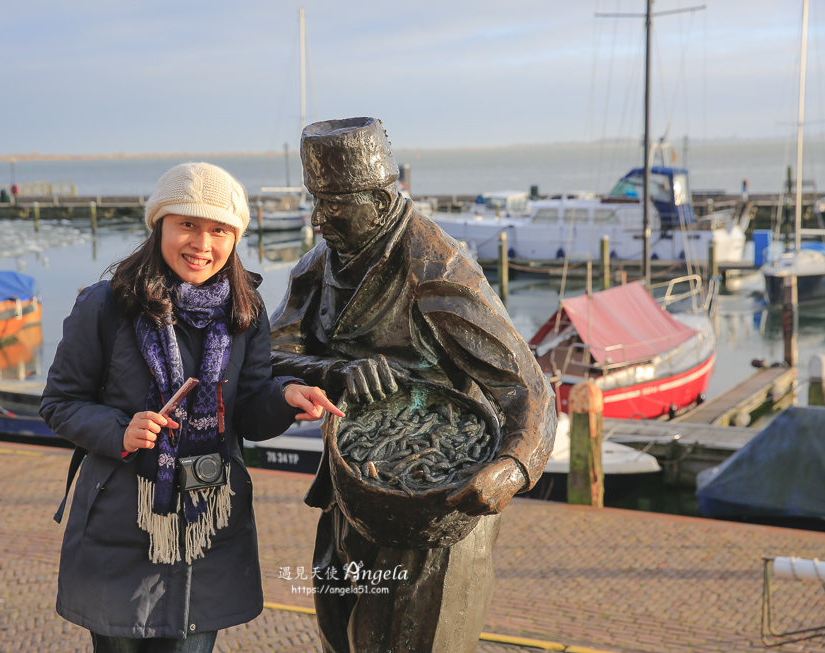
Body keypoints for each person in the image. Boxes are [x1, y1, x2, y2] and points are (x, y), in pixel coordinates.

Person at [270, 117, 557, 652]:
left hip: (440, 503)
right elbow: (270, 356)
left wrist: (513, 468)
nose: (316, 220)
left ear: (379, 202)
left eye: (332, 205)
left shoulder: (438, 268)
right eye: (315, 200)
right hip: (352, 488)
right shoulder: (316, 269)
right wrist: (333, 371)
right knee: (341, 634)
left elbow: (527, 385)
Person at [40, 161, 343, 653]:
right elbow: (59, 404)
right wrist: (119, 429)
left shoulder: (246, 309)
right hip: (121, 527)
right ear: (159, 225)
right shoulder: (103, 305)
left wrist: (285, 396)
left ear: (235, 236)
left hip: (208, 528)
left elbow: (247, 409)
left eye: (219, 230)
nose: (203, 245)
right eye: (188, 225)